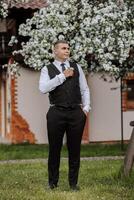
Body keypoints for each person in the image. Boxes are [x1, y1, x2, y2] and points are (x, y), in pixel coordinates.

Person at [39, 40, 91, 190]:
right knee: (54, 149)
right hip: (56, 112)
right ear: (55, 51)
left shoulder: (76, 67)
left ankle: (73, 184)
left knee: (75, 149)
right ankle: (52, 183)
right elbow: (43, 88)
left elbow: (84, 89)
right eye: (63, 48)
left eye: (68, 48)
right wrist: (62, 76)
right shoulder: (46, 69)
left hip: (76, 113)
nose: (67, 50)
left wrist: (86, 108)